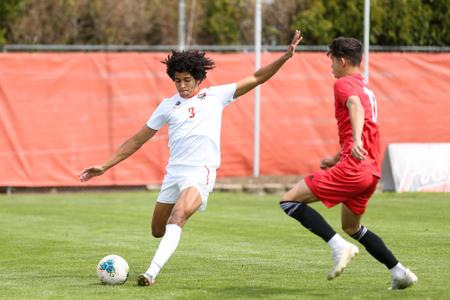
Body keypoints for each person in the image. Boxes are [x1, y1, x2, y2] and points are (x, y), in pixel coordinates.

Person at [79, 30, 303, 286]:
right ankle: (168, 241)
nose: (182, 86)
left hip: (200, 172)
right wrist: (105, 166)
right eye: (177, 81)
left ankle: (150, 273)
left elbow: (256, 77)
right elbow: (137, 140)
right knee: (157, 230)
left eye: (187, 80)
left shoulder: (215, 96)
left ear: (199, 79)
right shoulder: (167, 105)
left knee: (178, 217)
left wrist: (285, 57)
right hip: (174, 173)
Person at [279, 37, 417, 290]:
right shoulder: (365, 87)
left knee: (289, 200)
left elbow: (354, 107)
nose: (330, 65)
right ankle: (400, 272)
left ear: (342, 61)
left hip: (355, 168)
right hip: (371, 171)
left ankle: (338, 247)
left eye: (331, 59)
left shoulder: (344, 84)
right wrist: (337, 156)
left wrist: (354, 142)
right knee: (351, 226)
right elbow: (365, 122)